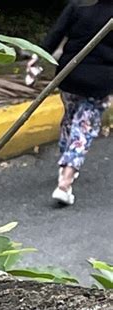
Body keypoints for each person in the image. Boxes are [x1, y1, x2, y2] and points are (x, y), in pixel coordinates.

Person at [35, 0, 113, 205]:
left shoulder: (78, 5)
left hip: (69, 74)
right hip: (100, 79)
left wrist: (37, 58)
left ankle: (64, 163)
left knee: (70, 117)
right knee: (85, 126)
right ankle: (66, 180)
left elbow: (56, 35)